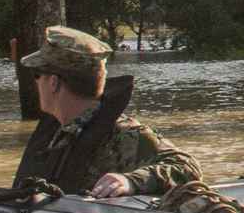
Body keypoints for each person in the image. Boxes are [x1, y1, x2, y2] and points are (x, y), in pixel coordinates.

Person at [11, 26, 200, 200]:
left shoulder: (124, 134)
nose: (35, 82)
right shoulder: (58, 132)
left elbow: (188, 167)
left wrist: (131, 181)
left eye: (37, 74)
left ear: (54, 83)